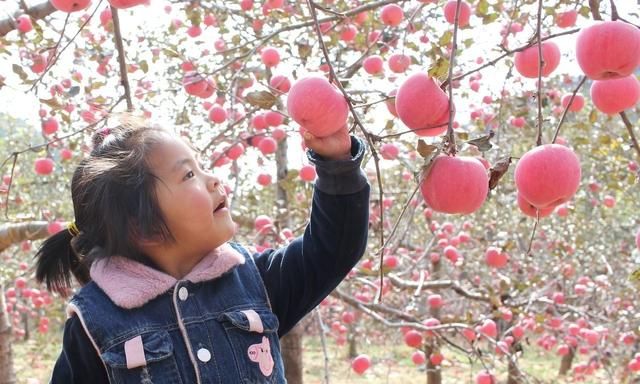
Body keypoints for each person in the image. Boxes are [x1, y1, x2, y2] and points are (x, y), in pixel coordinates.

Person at [35, 117, 370, 383]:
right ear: (144, 226)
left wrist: (337, 163)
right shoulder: (95, 324)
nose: (213, 179)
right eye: (189, 174)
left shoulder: (255, 281)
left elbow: (332, 249)